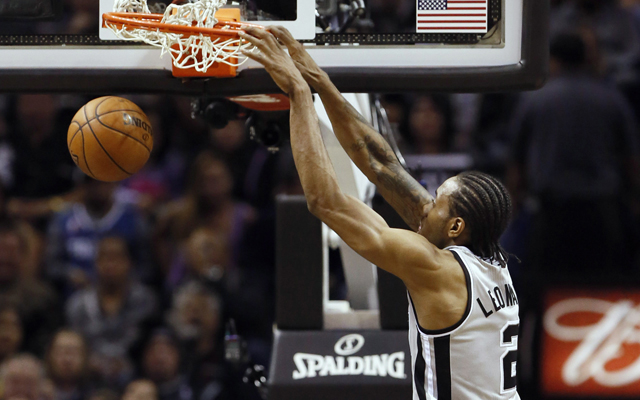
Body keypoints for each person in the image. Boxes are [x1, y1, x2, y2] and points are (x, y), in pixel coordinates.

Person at [239, 26, 519, 399]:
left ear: (455, 227)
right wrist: (320, 81)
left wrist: (298, 94)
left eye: (437, 200)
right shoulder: (492, 262)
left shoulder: (436, 268)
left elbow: (325, 202)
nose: (425, 203)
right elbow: (382, 164)